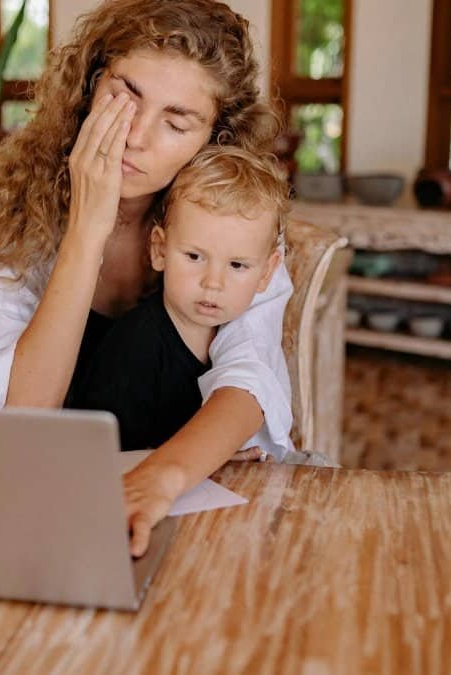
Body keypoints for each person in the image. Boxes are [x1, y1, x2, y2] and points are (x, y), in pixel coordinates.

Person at [0, 0, 292, 556]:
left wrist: (164, 477)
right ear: (90, 83)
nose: (136, 137)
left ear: (213, 139)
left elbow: (249, 382)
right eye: (124, 97)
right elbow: (15, 419)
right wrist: (87, 226)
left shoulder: (233, 228)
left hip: (184, 493)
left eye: (176, 122)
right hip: (44, 502)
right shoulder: (12, 219)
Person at [66, 146, 288, 454]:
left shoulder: (241, 338)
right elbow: (101, 459)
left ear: (266, 273)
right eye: (195, 256)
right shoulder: (133, 350)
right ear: (159, 250)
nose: (213, 282)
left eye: (237, 265)